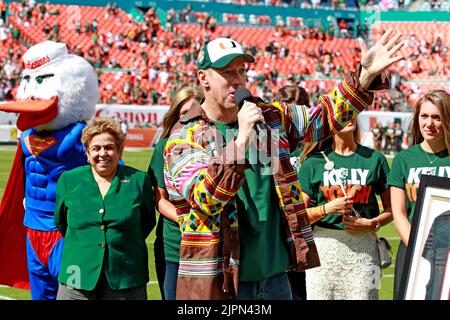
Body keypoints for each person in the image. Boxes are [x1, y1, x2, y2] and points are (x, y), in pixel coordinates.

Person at [164, 30, 403, 300]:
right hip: (219, 278)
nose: (236, 80)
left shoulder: (270, 118)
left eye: (241, 71)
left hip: (275, 277)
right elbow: (206, 199)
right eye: (226, 72)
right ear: (203, 78)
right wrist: (241, 141)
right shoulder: (185, 137)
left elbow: (323, 118)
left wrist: (364, 78)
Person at [54, 118, 156, 300]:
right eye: (96, 148)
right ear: (87, 153)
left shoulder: (139, 181)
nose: (103, 153)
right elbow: (62, 222)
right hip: (77, 274)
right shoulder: (69, 180)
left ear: (119, 151)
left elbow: (147, 222)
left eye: (109, 147)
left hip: (126, 276)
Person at [297, 119, 392, 300]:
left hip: (365, 251)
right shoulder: (313, 162)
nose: (348, 117)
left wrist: (373, 223)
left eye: (352, 112)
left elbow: (392, 209)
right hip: (323, 252)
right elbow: (298, 216)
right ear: (329, 122)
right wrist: (325, 209)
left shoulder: (375, 159)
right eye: (341, 113)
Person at [388, 89, 450, 300]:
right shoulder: (403, 160)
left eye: (436, 117)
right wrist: (417, 249)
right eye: (424, 116)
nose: (429, 124)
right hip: (412, 248)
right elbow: (399, 214)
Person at [147, 87, 203, 300]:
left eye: (195, 112)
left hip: (213, 244)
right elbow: (159, 200)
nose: (189, 119)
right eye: (183, 113)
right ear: (175, 116)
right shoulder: (163, 147)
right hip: (174, 245)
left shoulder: (216, 144)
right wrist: (189, 221)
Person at [275, 84, 311, 300]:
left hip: (309, 233)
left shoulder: (317, 145)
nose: (294, 116)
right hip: (276, 235)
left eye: (300, 109)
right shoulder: (266, 142)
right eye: (289, 109)